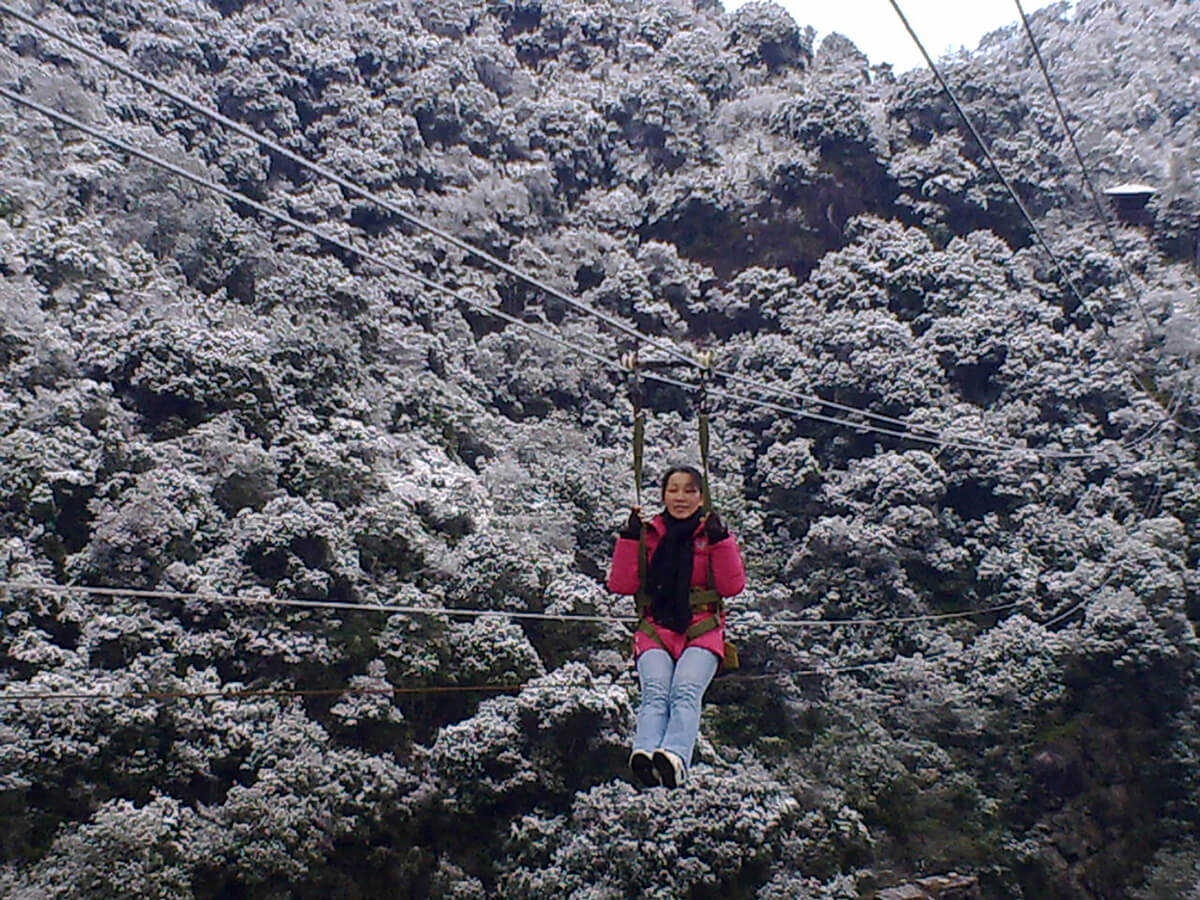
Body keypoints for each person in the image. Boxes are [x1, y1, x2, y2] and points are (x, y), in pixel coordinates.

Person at [607, 465, 746, 788]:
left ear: (701, 497)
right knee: (655, 692)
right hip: (656, 626)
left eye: (689, 490)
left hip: (702, 628)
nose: (680, 497)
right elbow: (622, 584)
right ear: (663, 495)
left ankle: (675, 757)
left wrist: (721, 539)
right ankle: (644, 753)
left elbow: (731, 586)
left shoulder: (710, 536)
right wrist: (628, 539)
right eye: (673, 490)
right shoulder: (649, 534)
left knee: (684, 690)